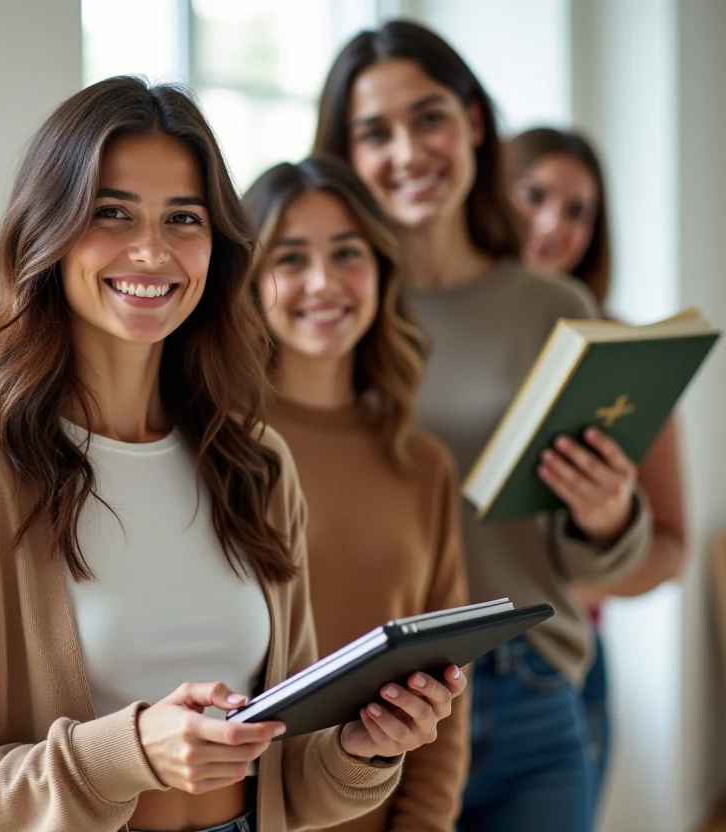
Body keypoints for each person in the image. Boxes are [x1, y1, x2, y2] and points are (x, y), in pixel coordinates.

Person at [0, 76, 467, 832]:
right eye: (111, 213)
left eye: (183, 219)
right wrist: (129, 753)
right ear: (48, 232)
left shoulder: (255, 466)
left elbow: (293, 785)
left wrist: (364, 748)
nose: (151, 250)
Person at [313, 21, 652, 832]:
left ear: (472, 122)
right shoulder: (327, 309)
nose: (407, 151)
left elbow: (580, 549)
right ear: (345, 156)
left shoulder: (553, 309)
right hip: (369, 699)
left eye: (428, 117)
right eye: (374, 132)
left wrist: (607, 514)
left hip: (529, 685)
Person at [244, 154, 470, 832]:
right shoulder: (212, 449)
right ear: (249, 282)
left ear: (380, 272)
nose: (323, 283)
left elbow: (448, 683)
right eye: (290, 259)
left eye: (348, 254)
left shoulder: (421, 463)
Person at [507, 126, 688, 806]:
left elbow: (671, 547)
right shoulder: (418, 329)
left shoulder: (619, 355)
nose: (553, 223)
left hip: (561, 660)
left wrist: (598, 551)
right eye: (535, 195)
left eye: (579, 210)